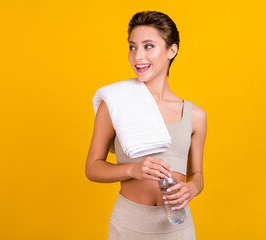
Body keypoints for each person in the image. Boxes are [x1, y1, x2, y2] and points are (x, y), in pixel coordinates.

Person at [86, 10, 207, 239]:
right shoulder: (115, 103)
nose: (138, 56)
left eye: (148, 46)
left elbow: (197, 174)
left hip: (177, 226)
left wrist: (192, 188)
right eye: (132, 47)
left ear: (172, 50)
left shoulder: (195, 115)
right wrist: (133, 169)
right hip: (128, 225)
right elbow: (92, 168)